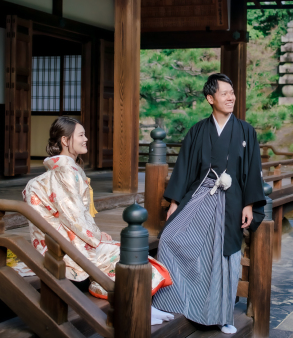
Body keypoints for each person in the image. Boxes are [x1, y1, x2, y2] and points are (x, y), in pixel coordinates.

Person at [23, 116, 174, 325]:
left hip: (68, 238)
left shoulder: (66, 168)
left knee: (120, 250)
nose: (86, 139)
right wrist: (96, 237)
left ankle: (144, 305)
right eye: (81, 135)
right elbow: (73, 215)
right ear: (66, 141)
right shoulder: (66, 170)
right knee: (121, 254)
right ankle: (136, 307)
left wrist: (96, 236)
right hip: (66, 244)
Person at [152, 74, 267, 334]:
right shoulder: (198, 131)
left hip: (232, 201)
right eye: (224, 93)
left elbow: (252, 168)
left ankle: (224, 314)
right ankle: (172, 302)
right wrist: (174, 202)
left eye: (232, 92)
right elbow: (184, 169)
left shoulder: (246, 130)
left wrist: (249, 204)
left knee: (226, 257)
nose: (231, 97)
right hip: (201, 197)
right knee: (170, 238)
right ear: (210, 98)